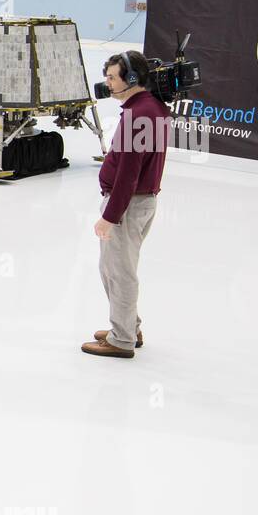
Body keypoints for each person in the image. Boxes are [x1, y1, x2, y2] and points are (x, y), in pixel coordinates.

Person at [83, 51, 169, 359]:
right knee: (114, 268)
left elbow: (128, 176)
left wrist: (110, 216)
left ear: (131, 80)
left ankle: (121, 340)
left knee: (119, 272)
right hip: (138, 204)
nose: (106, 83)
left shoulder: (138, 115)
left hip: (129, 206)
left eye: (111, 78)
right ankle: (128, 327)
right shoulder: (150, 107)